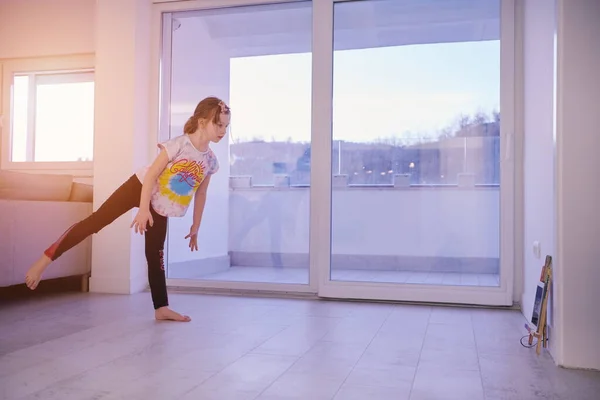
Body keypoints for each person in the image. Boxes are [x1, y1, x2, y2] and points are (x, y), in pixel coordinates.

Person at [24, 96, 230, 322]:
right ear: (202, 122)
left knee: (156, 254)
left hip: (160, 206)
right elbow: (151, 175)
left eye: (225, 126)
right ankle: (44, 260)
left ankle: (161, 308)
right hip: (139, 187)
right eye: (218, 124)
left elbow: (201, 193)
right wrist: (143, 209)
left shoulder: (210, 160)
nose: (222, 130)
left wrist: (196, 225)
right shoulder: (179, 144)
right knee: (96, 221)